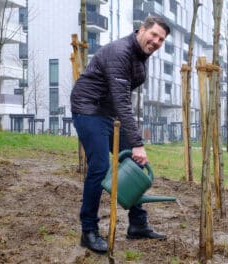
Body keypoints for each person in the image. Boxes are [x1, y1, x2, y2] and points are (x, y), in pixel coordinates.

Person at [71, 16, 170, 253]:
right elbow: (122, 101)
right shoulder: (120, 52)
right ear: (142, 30)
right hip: (88, 108)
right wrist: (137, 142)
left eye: (161, 39)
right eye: (153, 35)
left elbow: (121, 99)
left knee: (133, 162)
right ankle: (89, 231)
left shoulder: (141, 56)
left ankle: (137, 224)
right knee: (99, 166)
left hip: (108, 111)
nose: (156, 41)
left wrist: (134, 145)